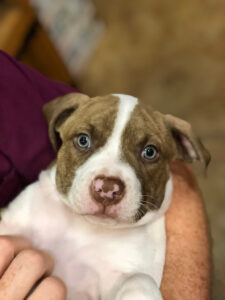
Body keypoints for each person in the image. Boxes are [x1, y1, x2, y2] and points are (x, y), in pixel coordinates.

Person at [0, 51, 211, 299]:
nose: (109, 185)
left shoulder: (138, 257)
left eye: (148, 152)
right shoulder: (34, 205)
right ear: (58, 124)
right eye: (83, 140)